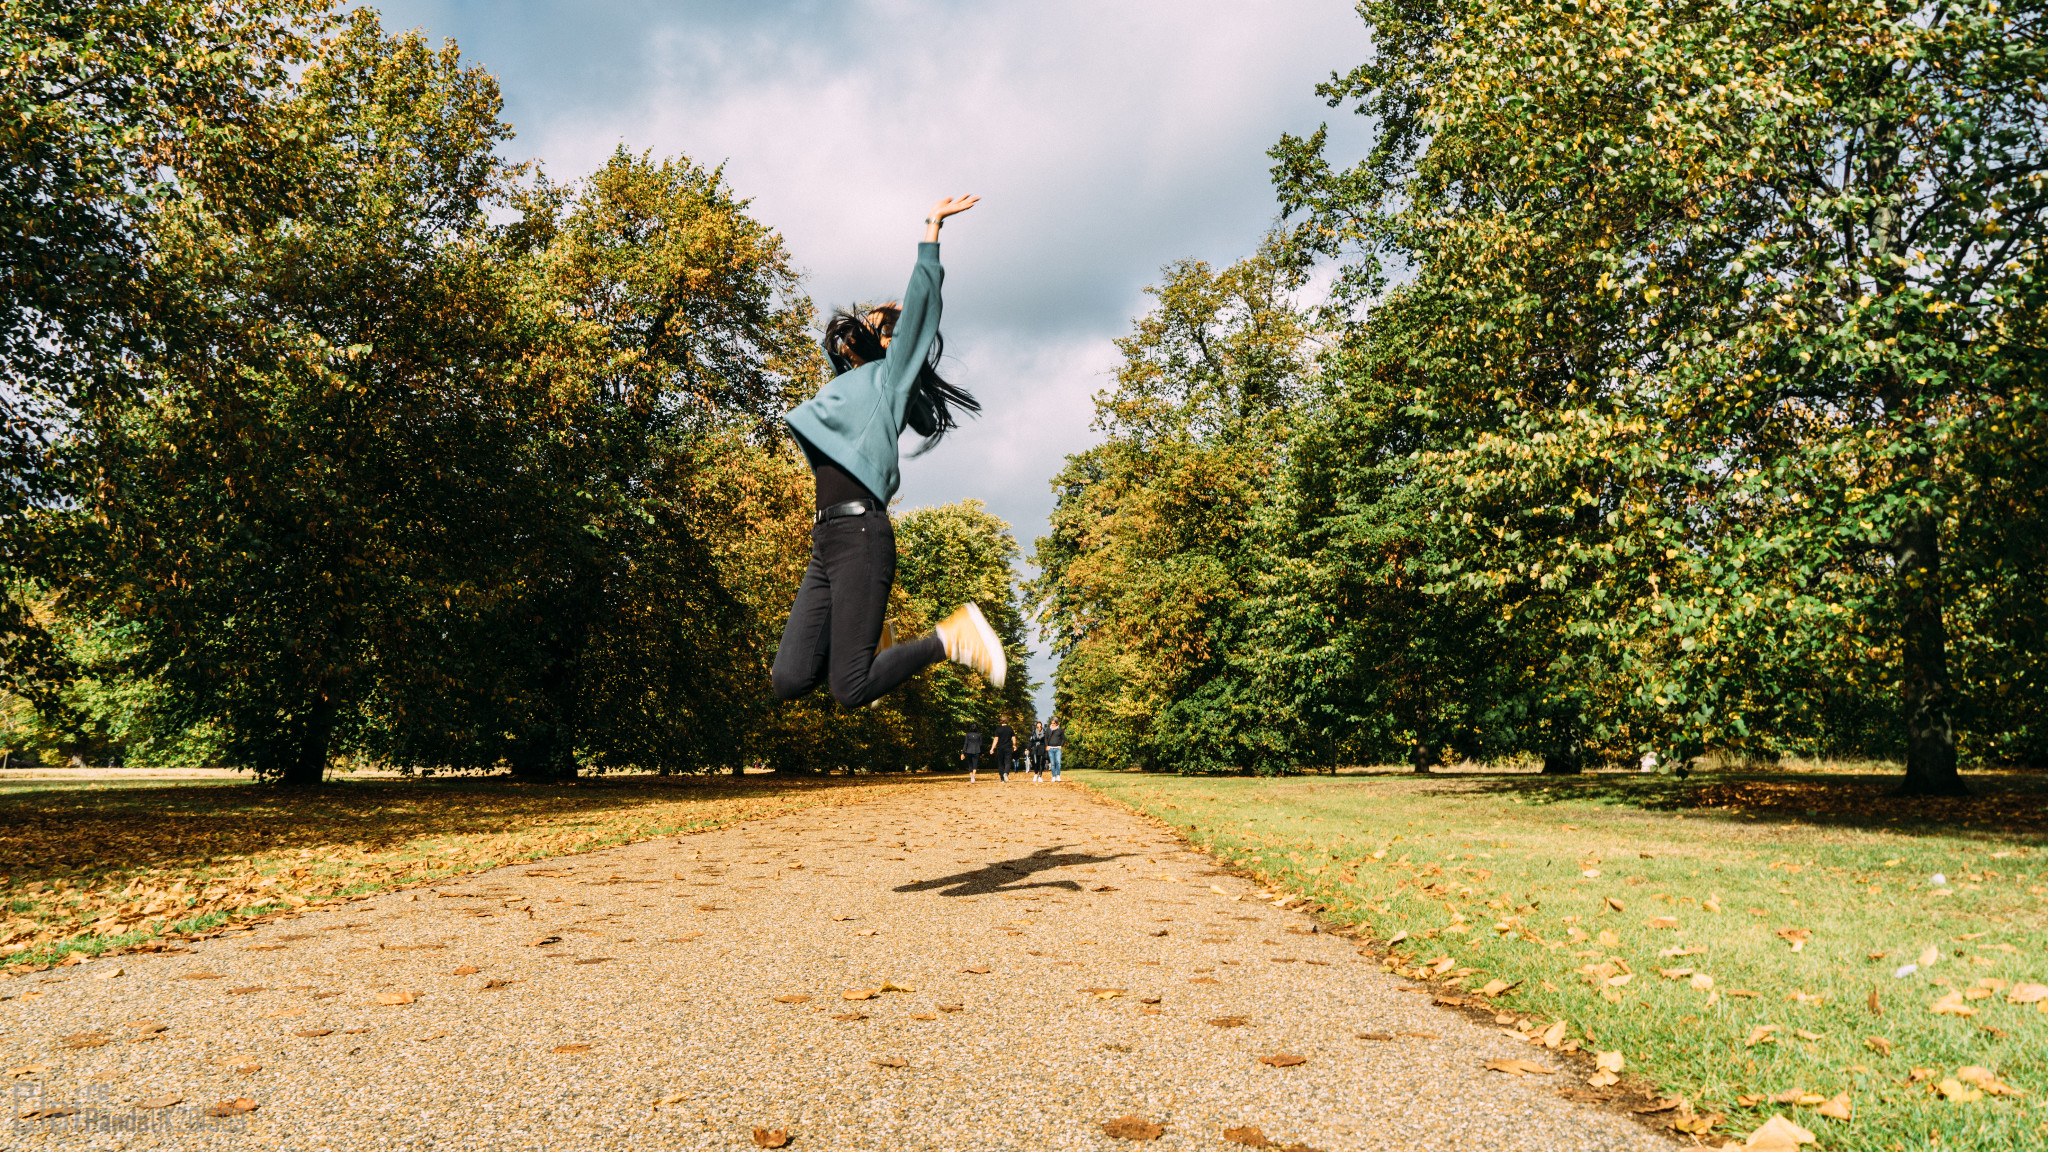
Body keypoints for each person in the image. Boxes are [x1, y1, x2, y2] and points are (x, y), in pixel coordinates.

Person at [769, 195, 1006, 710]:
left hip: (861, 534)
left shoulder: (889, 380)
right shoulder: (847, 387)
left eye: (876, 325)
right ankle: (873, 634)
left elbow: (920, 310)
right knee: (789, 679)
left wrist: (931, 231)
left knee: (849, 690)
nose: (861, 327)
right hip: (826, 538)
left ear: (890, 343)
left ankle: (952, 637)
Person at [1045, 715, 1065, 780]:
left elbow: (1063, 738)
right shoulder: (1048, 729)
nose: (1052, 724)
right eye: (1052, 723)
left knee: (1058, 762)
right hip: (1050, 748)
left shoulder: (1060, 730)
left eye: (1054, 723)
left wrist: (1061, 745)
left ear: (1056, 723)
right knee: (1052, 763)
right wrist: (1047, 746)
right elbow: (1046, 738)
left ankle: (1058, 775)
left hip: (1057, 749)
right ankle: (1053, 776)